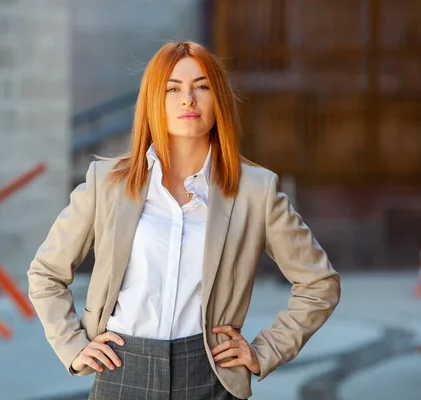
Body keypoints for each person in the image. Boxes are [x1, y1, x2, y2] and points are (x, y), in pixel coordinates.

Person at [28, 41, 341, 400]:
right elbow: (45, 274)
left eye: (202, 86)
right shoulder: (107, 183)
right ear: (154, 102)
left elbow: (320, 284)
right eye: (172, 88)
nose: (188, 99)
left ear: (218, 98)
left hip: (210, 374)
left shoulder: (257, 191)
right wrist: (72, 344)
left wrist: (265, 350)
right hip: (122, 370)